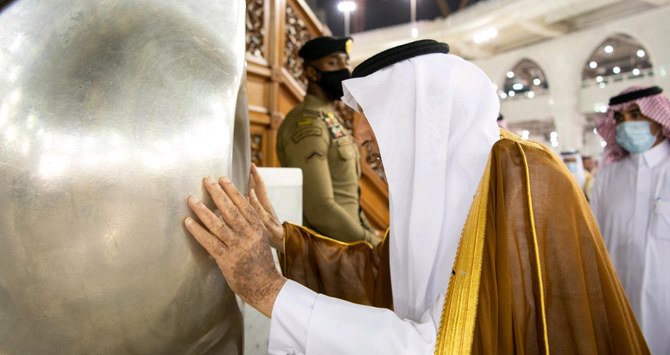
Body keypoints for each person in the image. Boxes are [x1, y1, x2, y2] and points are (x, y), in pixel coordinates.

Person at [184, 40, 648, 354]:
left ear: (425, 117)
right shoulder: (443, 187)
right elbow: (377, 276)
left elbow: (441, 343)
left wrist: (269, 291)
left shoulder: (521, 175)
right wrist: (284, 240)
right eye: (359, 125)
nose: (364, 145)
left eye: (376, 123)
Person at [590, 85, 670, 355]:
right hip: (618, 301)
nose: (628, 124)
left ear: (658, 117)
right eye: (621, 118)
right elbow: (595, 239)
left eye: (636, 114)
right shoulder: (607, 177)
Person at [276, 36, 378, 244]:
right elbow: (320, 208)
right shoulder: (308, 123)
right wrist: (370, 244)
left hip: (349, 247)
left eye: (344, 62)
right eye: (333, 63)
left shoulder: (329, 118)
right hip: (329, 250)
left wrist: (374, 238)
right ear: (312, 72)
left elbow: (351, 201)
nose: (343, 70)